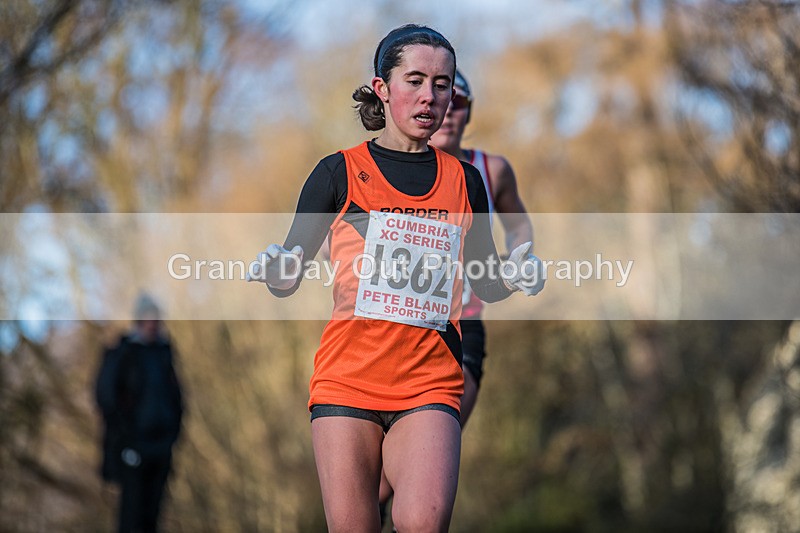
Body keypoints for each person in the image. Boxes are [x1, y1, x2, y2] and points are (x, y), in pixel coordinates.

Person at [249, 24, 542, 532]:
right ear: (382, 89)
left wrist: (516, 274)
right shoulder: (336, 172)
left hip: (429, 381)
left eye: (443, 84)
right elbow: (288, 271)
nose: (430, 96)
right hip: (349, 379)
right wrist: (278, 267)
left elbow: (486, 281)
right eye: (415, 80)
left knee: (421, 522)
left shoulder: (466, 180)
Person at [375, 69, 540, 528]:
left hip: (461, 329)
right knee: (371, 486)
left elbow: (521, 225)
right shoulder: (388, 167)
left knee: (413, 474)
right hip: (394, 329)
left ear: (464, 111)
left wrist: (514, 259)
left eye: (458, 100)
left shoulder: (491, 171)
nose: (447, 109)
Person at [95, 293, 184, 533]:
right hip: (133, 448)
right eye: (148, 318)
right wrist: (125, 439)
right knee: (131, 517)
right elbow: (105, 397)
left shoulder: (165, 353)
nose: (153, 324)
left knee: (152, 518)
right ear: (138, 320)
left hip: (161, 448)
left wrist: (173, 436)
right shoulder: (123, 353)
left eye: (157, 318)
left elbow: (177, 399)